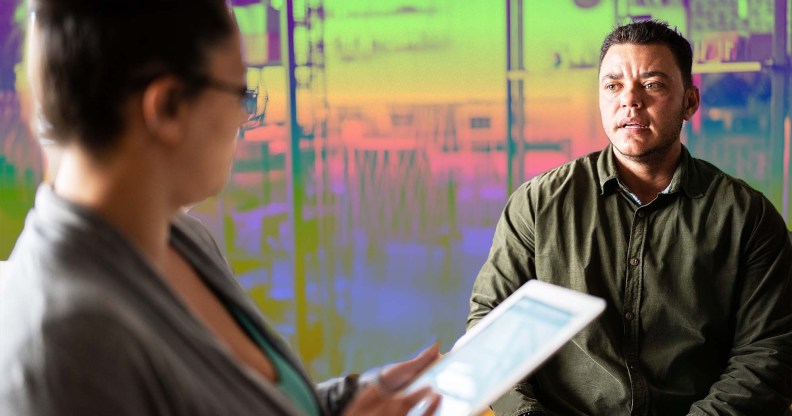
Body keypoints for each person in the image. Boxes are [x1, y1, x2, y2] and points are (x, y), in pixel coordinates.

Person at [0, 1, 442, 415]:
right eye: (240, 94)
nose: (244, 117)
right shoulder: (63, 351)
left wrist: (342, 403)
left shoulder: (183, 237)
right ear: (168, 107)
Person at [468, 20, 792, 416]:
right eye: (613, 85)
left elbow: (768, 352)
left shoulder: (747, 217)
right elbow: (490, 334)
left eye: (653, 84)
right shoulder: (538, 205)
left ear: (690, 101)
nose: (630, 101)